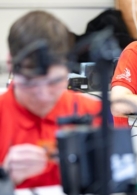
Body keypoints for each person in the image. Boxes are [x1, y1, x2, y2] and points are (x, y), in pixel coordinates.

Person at [0, 11, 101, 188]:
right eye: (30, 82)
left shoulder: (93, 113)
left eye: (55, 82)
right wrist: (4, 179)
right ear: (10, 64)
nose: (43, 95)